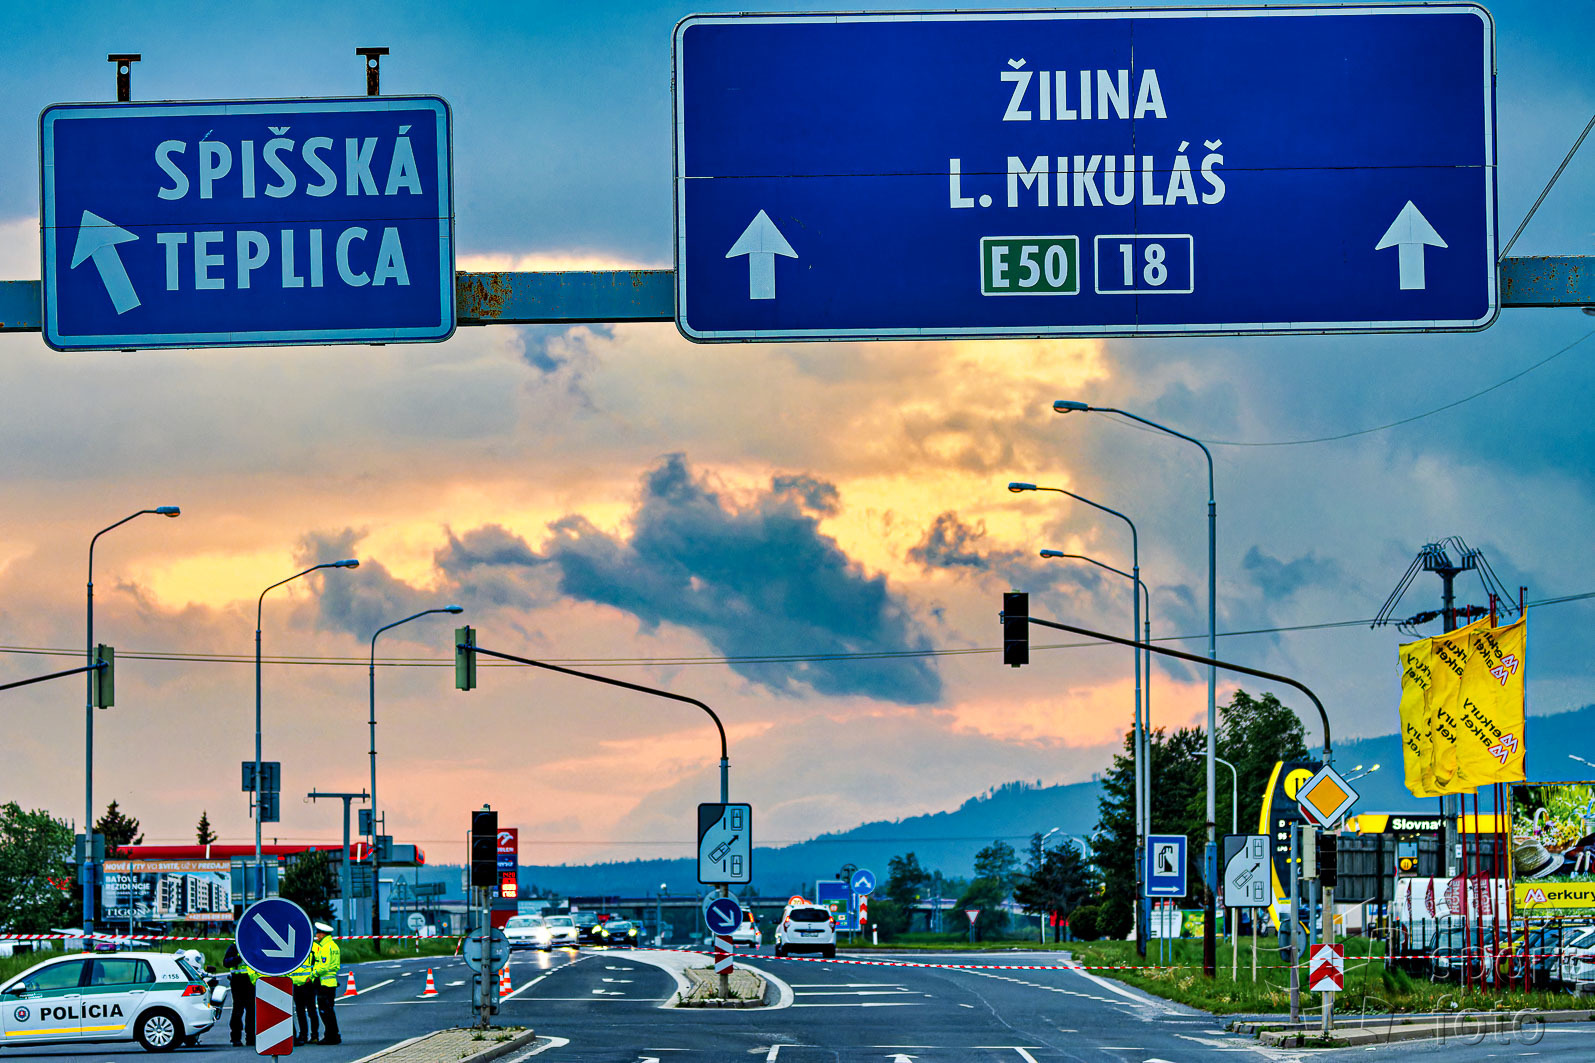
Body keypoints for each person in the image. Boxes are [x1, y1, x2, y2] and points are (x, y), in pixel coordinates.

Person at [312, 921, 342, 1045]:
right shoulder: (334, 946)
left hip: (324, 983)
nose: (317, 936)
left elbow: (323, 967)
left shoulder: (326, 947)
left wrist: (312, 974)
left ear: (323, 934)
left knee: (325, 1012)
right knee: (329, 1011)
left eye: (318, 934)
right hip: (331, 982)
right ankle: (334, 1035)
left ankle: (330, 1036)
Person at [222, 942, 256, 1047]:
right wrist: (238, 958)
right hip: (237, 981)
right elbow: (226, 963)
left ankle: (251, 1038)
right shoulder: (235, 946)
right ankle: (236, 1038)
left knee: (251, 1010)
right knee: (238, 1009)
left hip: (251, 981)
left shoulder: (254, 945)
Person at [290, 946, 318, 1045]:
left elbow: (318, 964)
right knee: (300, 1011)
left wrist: (312, 977)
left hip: (308, 984)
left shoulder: (314, 948)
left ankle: (314, 1035)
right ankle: (303, 1035)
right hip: (296, 984)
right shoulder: (292, 947)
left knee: (311, 1010)